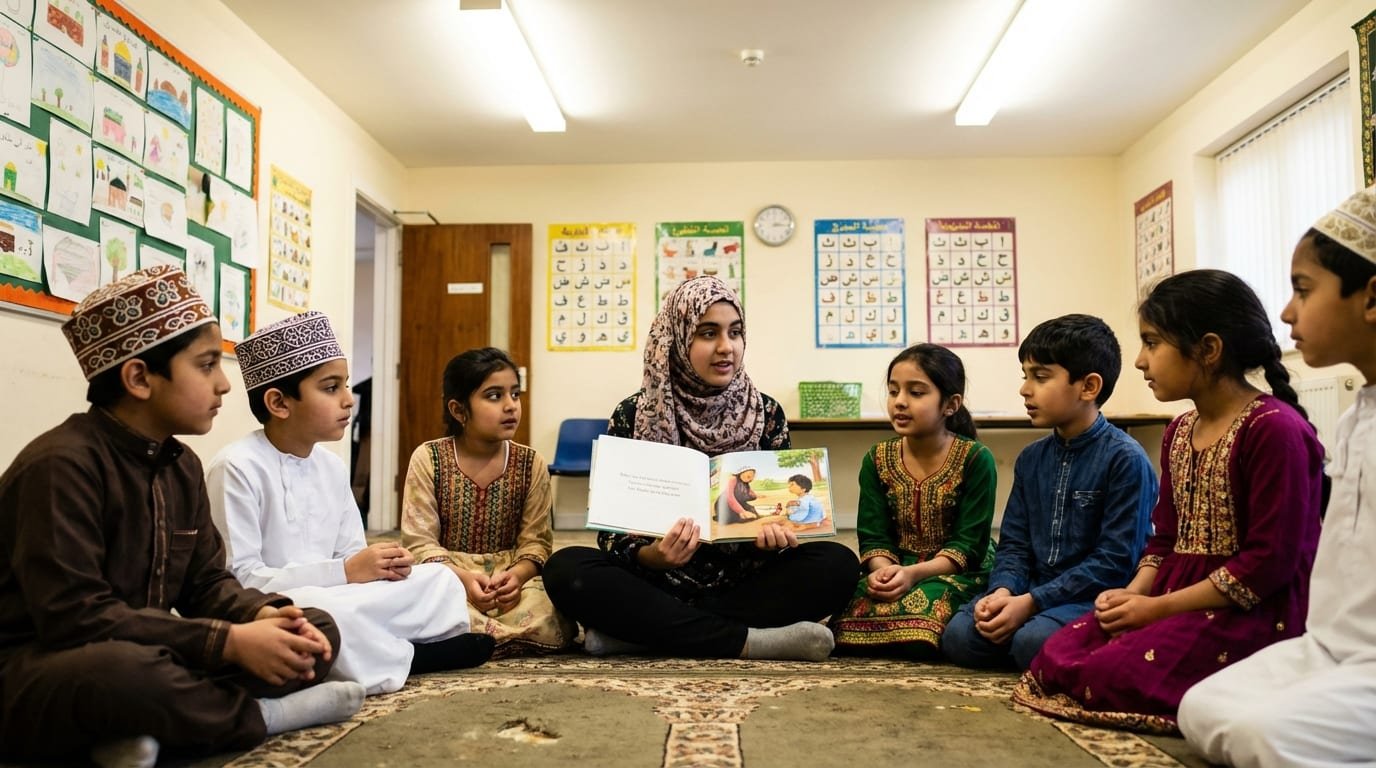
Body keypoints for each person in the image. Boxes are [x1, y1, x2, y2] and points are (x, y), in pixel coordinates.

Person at [0, 267, 362, 768]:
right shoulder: (61, 465)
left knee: (316, 630)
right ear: (140, 378)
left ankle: (142, 729)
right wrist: (227, 642)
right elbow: (75, 619)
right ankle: (262, 718)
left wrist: (263, 617)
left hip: (152, 650)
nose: (224, 385)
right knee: (125, 674)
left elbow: (208, 584)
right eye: (208, 364)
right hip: (49, 664)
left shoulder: (180, 464)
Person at [1013, 269, 1326, 733]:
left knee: (1106, 672)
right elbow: (1164, 541)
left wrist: (1157, 609)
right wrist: (1134, 595)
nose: (1140, 361)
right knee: (1058, 654)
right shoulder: (1179, 431)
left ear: (1209, 349)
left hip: (1249, 606)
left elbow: (1268, 564)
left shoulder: (1273, 429)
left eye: (1152, 342)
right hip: (1173, 591)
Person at [543, 276, 858, 660]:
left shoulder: (767, 413)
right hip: (655, 583)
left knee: (838, 564)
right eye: (708, 333)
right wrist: (652, 556)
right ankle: (750, 641)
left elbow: (779, 519)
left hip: (744, 583)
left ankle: (644, 637)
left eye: (735, 332)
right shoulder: (634, 414)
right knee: (565, 568)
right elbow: (611, 534)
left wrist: (773, 538)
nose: (727, 347)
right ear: (676, 339)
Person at [1177, 189, 1376, 765]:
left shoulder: (1276, 427)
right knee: (1201, 708)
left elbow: (1272, 556)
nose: (1287, 312)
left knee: (1262, 734)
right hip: (1329, 650)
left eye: (1303, 290)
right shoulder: (1360, 413)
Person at [208, 311, 493, 696]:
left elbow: (353, 555)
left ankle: (381, 651)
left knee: (437, 579)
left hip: (340, 590)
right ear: (278, 402)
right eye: (330, 388)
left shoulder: (331, 465)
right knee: (320, 613)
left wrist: (381, 566)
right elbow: (242, 580)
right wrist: (344, 572)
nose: (348, 400)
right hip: (284, 600)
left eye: (344, 385)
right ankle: (413, 658)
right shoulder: (237, 467)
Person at [941, 315, 1156, 670]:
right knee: (960, 638)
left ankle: (1046, 640)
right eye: (1025, 376)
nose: (1025, 389)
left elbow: (1114, 562)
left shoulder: (1125, 459)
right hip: (1030, 589)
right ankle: (1038, 638)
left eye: (1040, 377)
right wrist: (1003, 593)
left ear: (1088, 387)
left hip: (1089, 596)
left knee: (1031, 642)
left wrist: (1031, 603)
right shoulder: (1032, 458)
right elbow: (1014, 544)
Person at [401, 347, 575, 656]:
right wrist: (465, 579)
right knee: (414, 599)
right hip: (449, 578)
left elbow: (536, 543)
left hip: (511, 581)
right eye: (494, 396)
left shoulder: (531, 462)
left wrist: (517, 577)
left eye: (515, 394)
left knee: (549, 612)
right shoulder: (429, 458)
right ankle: (474, 633)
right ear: (458, 410)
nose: (511, 406)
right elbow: (419, 543)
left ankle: (468, 640)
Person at [831, 343, 996, 656]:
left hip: (955, 570)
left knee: (928, 607)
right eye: (894, 391)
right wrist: (883, 571)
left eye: (916, 393)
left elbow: (970, 544)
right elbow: (873, 534)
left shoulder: (976, 459)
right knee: (849, 611)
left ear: (950, 404)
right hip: (897, 565)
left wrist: (913, 575)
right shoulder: (877, 458)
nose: (900, 402)